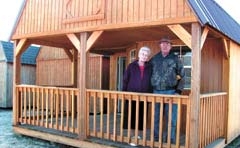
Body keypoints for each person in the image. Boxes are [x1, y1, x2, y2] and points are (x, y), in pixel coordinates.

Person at [150, 36, 185, 143]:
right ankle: (156, 139)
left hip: (171, 92)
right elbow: (148, 74)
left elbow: (182, 75)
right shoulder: (154, 59)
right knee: (156, 117)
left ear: (170, 46)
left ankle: (170, 139)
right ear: (160, 45)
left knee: (171, 118)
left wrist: (178, 91)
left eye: (167, 44)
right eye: (162, 44)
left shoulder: (175, 59)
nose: (164, 46)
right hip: (156, 92)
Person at [122, 46, 152, 145]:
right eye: (143, 54)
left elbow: (152, 81)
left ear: (148, 57)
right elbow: (125, 80)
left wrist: (151, 94)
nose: (144, 56)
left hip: (144, 96)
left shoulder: (150, 67)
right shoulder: (131, 66)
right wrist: (124, 93)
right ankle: (131, 136)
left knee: (141, 117)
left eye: (146, 55)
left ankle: (138, 136)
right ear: (139, 55)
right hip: (131, 96)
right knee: (131, 116)